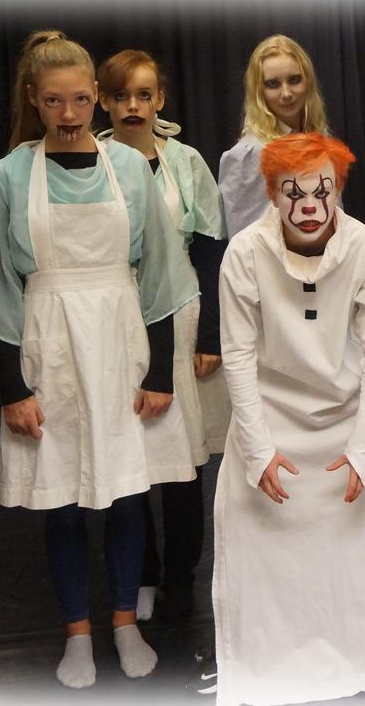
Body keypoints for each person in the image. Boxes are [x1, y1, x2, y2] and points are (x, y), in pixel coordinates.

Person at [0, 30, 198, 688]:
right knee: (61, 500)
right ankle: (77, 635)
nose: (69, 113)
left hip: (122, 343)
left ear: (96, 97)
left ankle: (124, 622)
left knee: (127, 496)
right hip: (50, 347)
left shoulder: (129, 168)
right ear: (34, 100)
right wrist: (12, 388)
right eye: (54, 101)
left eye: (81, 100)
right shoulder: (10, 175)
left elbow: (162, 278)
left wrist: (159, 373)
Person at [212, 132, 365, 705]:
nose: (309, 206)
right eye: (294, 193)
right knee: (265, 551)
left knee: (363, 551)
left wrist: (364, 449)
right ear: (272, 194)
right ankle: (272, 658)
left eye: (321, 192)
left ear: (338, 192)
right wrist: (257, 449)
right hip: (272, 416)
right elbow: (237, 354)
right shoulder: (245, 253)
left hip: (353, 415)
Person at [97, 48, 229, 623]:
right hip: (113, 316)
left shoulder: (186, 162)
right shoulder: (93, 160)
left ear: (160, 100)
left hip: (179, 315)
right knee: (127, 452)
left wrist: (211, 337)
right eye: (121, 95)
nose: (133, 105)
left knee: (183, 457)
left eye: (143, 94)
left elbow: (211, 250)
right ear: (103, 101)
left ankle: (180, 577)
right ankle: (142, 574)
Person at [219, 34, 329, 238]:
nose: (286, 93)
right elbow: (244, 243)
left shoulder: (319, 140)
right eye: (273, 84)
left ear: (308, 82)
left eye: (294, 80)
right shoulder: (249, 155)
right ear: (258, 91)